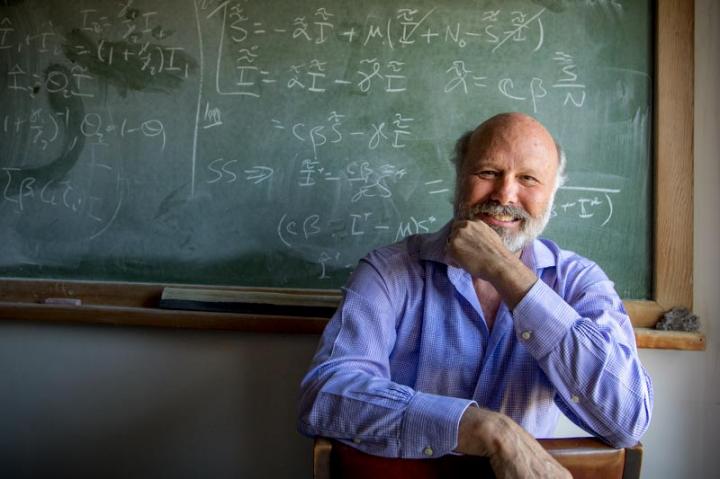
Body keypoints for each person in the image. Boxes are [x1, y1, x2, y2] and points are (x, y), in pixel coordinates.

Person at [297, 112, 653, 478]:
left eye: (528, 178)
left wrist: (507, 273)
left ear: (552, 193)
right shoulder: (387, 271)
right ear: (459, 178)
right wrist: (488, 430)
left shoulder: (580, 282)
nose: (505, 194)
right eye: (487, 173)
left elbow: (627, 420)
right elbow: (326, 396)